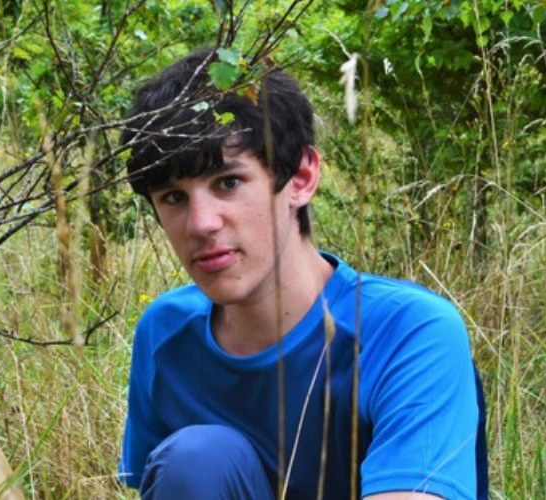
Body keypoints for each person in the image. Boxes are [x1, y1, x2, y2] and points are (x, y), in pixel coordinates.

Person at [116, 48, 488, 500]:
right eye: (174, 197)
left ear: (301, 177)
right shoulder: (165, 332)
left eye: (228, 183)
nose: (201, 224)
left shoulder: (408, 331)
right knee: (198, 460)